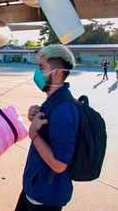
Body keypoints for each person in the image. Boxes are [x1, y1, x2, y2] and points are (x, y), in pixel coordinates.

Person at [15, 44, 79, 211]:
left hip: (45, 199)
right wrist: (36, 117)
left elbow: (59, 164)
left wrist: (34, 134)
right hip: (35, 190)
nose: (37, 73)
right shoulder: (53, 102)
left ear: (56, 73)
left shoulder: (63, 110)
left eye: (41, 68)